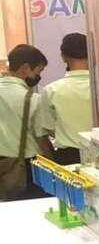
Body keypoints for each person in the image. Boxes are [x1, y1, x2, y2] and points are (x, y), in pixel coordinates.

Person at [34, 33, 93, 165]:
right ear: (91, 53)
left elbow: (47, 129)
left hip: (67, 158)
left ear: (63, 56)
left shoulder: (51, 90)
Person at [0, 45, 47, 201]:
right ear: (25, 68)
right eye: (38, 71)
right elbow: (41, 138)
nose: (38, 76)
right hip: (25, 169)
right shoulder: (33, 99)